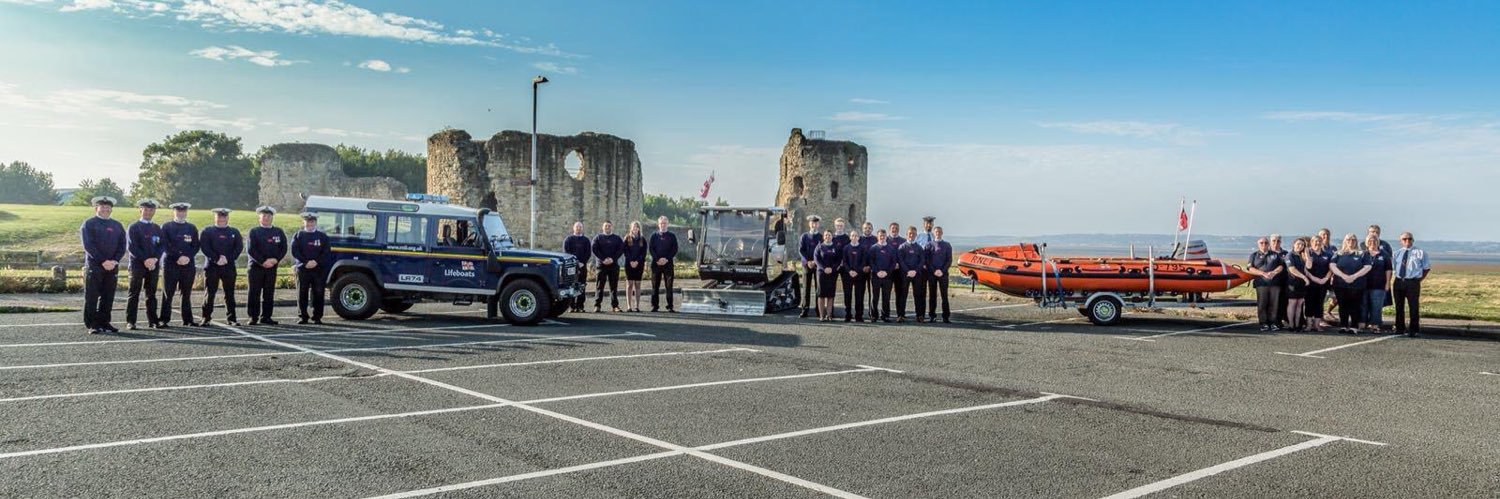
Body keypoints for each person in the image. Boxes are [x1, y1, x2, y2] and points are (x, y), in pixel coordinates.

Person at [80, 196, 126, 334]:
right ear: (96, 208)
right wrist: (103, 261)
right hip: (95, 266)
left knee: (108, 296)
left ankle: (104, 322)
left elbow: (122, 245)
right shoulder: (89, 224)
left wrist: (114, 261)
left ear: (111, 209)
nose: (105, 209)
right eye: (102, 207)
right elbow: (88, 245)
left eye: (108, 207)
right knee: (92, 296)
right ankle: (92, 324)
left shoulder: (117, 225)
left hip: (112, 266)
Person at [125, 199, 165, 330]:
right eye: (145, 209)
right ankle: (131, 321)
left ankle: (153, 320)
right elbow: (132, 247)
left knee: (151, 294)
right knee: (134, 293)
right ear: (140, 210)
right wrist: (145, 260)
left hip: (153, 265)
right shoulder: (134, 227)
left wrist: (154, 259)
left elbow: (161, 246)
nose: (148, 212)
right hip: (137, 265)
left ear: (154, 211)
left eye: (151, 210)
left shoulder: (157, 228)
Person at [199, 208, 243, 326]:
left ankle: (232, 319)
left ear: (228, 218)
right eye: (219, 217)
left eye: (224, 217)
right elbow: (205, 247)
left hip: (228, 267)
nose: (222, 219)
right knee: (210, 293)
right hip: (212, 267)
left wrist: (227, 259)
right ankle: (206, 317)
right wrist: (216, 258)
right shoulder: (207, 231)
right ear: (215, 217)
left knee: (229, 293)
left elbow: (238, 248)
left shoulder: (234, 232)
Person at [159, 202, 199, 327]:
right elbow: (165, 245)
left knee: (186, 293)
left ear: (186, 212)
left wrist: (187, 257)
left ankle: (188, 319)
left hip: (187, 264)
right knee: (168, 293)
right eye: (178, 211)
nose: (181, 213)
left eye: (183, 211)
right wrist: (178, 256)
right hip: (171, 264)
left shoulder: (192, 228)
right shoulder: (166, 227)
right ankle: (164, 319)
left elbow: (196, 245)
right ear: (174, 212)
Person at [246, 206, 287, 326]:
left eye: (269, 216)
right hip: (256, 267)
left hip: (272, 267)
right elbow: (251, 250)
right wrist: (263, 261)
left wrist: (275, 260)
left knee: (269, 293)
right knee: (254, 292)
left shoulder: (278, 232)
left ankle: (266, 316)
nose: (266, 218)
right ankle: (253, 317)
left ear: (272, 217)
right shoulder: (254, 232)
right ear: (259, 217)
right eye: (264, 216)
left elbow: (283, 248)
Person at [291, 213, 331, 324]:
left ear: (315, 223)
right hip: (303, 268)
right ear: (303, 222)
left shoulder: (323, 236)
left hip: (318, 269)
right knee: (301, 292)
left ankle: (317, 317)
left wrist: (316, 262)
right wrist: (305, 262)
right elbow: (295, 251)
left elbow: (326, 252)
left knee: (318, 292)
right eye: (307, 221)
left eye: (312, 222)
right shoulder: (298, 235)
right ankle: (303, 316)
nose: (310, 224)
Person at [1330, 233, 1373, 334]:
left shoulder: (1362, 253)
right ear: (1345, 240)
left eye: (1353, 240)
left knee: (1355, 306)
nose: (1351, 241)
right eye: (1348, 239)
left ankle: (1354, 326)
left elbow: (1368, 267)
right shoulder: (1338, 253)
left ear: (1356, 241)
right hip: (1340, 284)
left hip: (1357, 284)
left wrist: (1353, 277)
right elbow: (1332, 266)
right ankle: (1343, 325)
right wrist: (1344, 276)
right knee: (1343, 305)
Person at [1391, 231, 1430, 337]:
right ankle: (1399, 328)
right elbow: (1394, 268)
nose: (1407, 241)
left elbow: (1426, 268)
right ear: (1400, 241)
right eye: (1404, 239)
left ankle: (1414, 329)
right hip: (1399, 281)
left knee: (1413, 306)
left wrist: (1418, 280)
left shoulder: (1420, 253)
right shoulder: (1397, 253)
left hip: (1412, 282)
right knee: (1399, 306)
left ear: (1413, 240)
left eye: (1409, 239)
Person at [1246, 237, 1286, 332]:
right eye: (1261, 243)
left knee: (1274, 304)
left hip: (1275, 284)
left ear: (1269, 244)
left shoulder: (1275, 255)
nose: (1264, 245)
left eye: (1266, 243)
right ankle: (1263, 323)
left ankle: (1273, 323)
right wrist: (1263, 273)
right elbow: (1250, 268)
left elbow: (1281, 266)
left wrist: (1274, 272)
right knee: (1262, 304)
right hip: (1261, 284)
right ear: (1258, 244)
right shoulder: (1254, 255)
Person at [592, 221, 624, 313]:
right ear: (603, 227)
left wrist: (612, 259)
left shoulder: (617, 238)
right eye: (606, 226)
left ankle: (615, 306)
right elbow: (594, 249)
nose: (607, 227)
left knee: (613, 287)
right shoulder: (598, 238)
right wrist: (603, 259)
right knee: (599, 286)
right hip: (601, 266)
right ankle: (597, 305)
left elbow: (620, 249)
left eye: (609, 226)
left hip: (613, 265)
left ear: (612, 227)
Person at [897, 226, 928, 323]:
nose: (911, 235)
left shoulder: (919, 248)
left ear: (916, 235)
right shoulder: (902, 247)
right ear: (907, 234)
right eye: (910, 233)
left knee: (918, 295)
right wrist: (907, 271)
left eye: (913, 234)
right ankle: (901, 315)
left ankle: (919, 315)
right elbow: (900, 261)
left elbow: (922, 260)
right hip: (904, 274)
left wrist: (915, 271)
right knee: (903, 295)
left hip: (917, 274)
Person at [649, 216, 679, 312]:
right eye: (661, 223)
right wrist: (657, 259)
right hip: (656, 264)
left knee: (669, 286)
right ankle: (655, 306)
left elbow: (675, 249)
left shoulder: (672, 236)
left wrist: (666, 259)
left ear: (667, 224)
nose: (663, 225)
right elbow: (651, 249)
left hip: (668, 264)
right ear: (658, 224)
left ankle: (670, 306)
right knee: (655, 286)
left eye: (665, 223)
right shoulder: (654, 236)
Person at [1304, 233, 1333, 332]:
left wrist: (1325, 278)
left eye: (1319, 241)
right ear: (1311, 242)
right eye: (1315, 241)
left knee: (1319, 304)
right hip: (1310, 283)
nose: (1317, 243)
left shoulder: (1328, 255)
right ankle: (1308, 325)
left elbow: (1331, 268)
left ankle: (1317, 325)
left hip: (1323, 283)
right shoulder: (1307, 254)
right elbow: (1305, 269)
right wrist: (1313, 278)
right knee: (1309, 304)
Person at [1364, 234, 1392, 332]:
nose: (1372, 243)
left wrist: (1387, 283)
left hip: (1379, 285)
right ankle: (1362, 324)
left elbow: (1388, 269)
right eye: (1370, 241)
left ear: (1378, 242)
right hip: (1364, 285)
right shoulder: (1363, 254)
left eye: (1375, 241)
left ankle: (1375, 325)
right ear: (1366, 243)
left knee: (1376, 306)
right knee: (1363, 305)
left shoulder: (1384, 254)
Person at [868, 230, 898, 322]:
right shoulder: (873, 248)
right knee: (875, 297)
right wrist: (877, 271)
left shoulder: (891, 248)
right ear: (877, 236)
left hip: (887, 277)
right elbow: (871, 261)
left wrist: (887, 272)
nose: (882, 237)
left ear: (886, 237)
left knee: (886, 297)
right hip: (875, 276)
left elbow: (893, 262)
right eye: (880, 235)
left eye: (884, 236)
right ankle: (874, 315)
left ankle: (885, 315)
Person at [1284, 237, 1312, 332]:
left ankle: (1297, 325)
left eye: (1302, 245)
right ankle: (1291, 325)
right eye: (1298, 244)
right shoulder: (1289, 255)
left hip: (1302, 284)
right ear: (1294, 244)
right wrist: (1304, 277)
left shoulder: (1302, 256)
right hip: (1293, 283)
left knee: (1300, 304)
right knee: (1292, 303)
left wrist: (1307, 254)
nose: (1300, 246)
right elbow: (1292, 269)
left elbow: (1309, 266)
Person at [839, 229, 867, 322]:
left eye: (856, 236)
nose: (854, 237)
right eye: (852, 235)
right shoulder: (846, 248)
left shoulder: (862, 248)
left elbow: (864, 261)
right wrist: (850, 271)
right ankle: (848, 314)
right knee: (848, 295)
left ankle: (859, 315)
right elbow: (844, 261)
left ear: (859, 237)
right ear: (850, 237)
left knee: (859, 296)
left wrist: (857, 271)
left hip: (859, 275)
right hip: (848, 275)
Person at [564, 222, 592, 312]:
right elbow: (566, 252)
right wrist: (575, 262)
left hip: (582, 266)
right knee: (571, 286)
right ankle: (571, 306)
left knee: (581, 286)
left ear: (582, 228)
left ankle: (580, 306)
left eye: (580, 227)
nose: (578, 228)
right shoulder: (568, 239)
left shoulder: (586, 240)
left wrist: (583, 262)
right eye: (577, 227)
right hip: (571, 267)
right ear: (573, 228)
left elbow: (588, 253)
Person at [813, 230, 841, 321]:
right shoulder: (819, 246)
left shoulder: (836, 247)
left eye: (829, 235)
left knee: (830, 295)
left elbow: (838, 260)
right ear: (823, 237)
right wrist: (824, 268)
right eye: (826, 235)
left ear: (832, 236)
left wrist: (832, 268)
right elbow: (817, 259)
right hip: (821, 273)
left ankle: (829, 315)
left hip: (832, 273)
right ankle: (821, 316)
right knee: (821, 295)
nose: (827, 236)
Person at [928, 226, 954, 324]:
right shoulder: (929, 245)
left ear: (942, 233)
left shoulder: (947, 245)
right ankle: (932, 316)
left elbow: (949, 260)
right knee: (932, 295)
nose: (938, 233)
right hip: (932, 274)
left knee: (944, 296)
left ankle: (946, 317)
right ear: (934, 233)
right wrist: (934, 270)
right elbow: (927, 260)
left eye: (939, 231)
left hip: (943, 274)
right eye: (936, 231)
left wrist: (942, 270)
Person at [798, 215, 822, 318]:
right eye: (812, 223)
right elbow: (801, 250)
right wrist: (807, 261)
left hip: (817, 266)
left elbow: (822, 251)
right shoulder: (804, 236)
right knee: (806, 289)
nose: (814, 225)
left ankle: (818, 310)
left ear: (818, 224)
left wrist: (815, 262)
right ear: (809, 224)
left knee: (818, 288)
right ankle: (805, 309)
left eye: (816, 223)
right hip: (806, 265)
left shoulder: (821, 237)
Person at [622, 221, 647, 313]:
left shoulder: (642, 239)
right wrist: (631, 261)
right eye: (633, 227)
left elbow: (643, 253)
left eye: (637, 227)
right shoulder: (627, 238)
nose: (635, 228)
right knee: (629, 285)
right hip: (629, 264)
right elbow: (625, 251)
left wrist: (637, 261)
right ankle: (629, 306)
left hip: (639, 264)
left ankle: (637, 306)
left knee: (637, 284)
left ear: (639, 228)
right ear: (631, 228)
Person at [886, 222, 908, 318]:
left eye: (896, 228)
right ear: (889, 229)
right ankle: (886, 314)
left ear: (898, 229)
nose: (894, 229)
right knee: (887, 293)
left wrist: (899, 264)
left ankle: (901, 314)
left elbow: (905, 255)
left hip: (900, 271)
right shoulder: (885, 239)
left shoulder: (903, 240)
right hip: (888, 271)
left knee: (900, 293)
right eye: (892, 228)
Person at [830, 218, 850, 318]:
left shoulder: (847, 238)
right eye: (838, 225)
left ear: (844, 226)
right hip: (834, 266)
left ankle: (847, 312)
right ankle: (831, 311)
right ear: (835, 226)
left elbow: (849, 252)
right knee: (832, 288)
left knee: (847, 289)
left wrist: (843, 262)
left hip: (845, 266)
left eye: (841, 225)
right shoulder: (831, 237)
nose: (839, 227)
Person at [1269, 234, 1289, 328]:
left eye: (1278, 241)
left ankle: (1281, 320)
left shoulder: (1285, 253)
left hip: (1284, 282)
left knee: (1283, 302)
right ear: (1270, 241)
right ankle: (1272, 321)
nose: (1276, 243)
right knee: (1272, 303)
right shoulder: (1266, 253)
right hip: (1270, 283)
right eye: (1274, 241)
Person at [858, 222, 878, 320]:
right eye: (866, 228)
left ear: (872, 229)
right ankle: (860, 314)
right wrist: (863, 267)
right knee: (860, 293)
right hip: (861, 269)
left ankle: (872, 314)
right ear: (863, 229)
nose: (867, 230)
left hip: (872, 269)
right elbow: (857, 256)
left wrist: (870, 266)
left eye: (869, 228)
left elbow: (877, 256)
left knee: (873, 293)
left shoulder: (875, 239)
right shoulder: (859, 239)